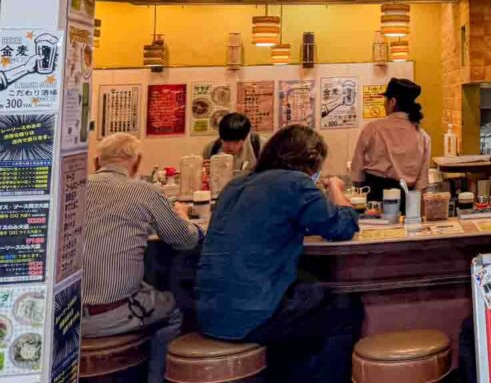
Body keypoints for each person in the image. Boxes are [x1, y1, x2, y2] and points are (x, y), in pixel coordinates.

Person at [196, 125, 361, 383]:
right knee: (344, 308)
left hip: (208, 312)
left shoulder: (235, 185)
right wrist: (336, 189)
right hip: (250, 315)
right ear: (311, 161)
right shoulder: (295, 182)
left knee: (306, 294)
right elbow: (342, 226)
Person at [82, 133, 202, 383]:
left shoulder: (74, 189)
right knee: (175, 307)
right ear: (136, 164)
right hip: (111, 315)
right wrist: (183, 217)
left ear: (96, 163)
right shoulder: (144, 191)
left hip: (64, 315)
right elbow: (186, 240)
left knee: (143, 288)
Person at [350, 78, 432, 202]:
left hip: (375, 195)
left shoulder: (372, 129)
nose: (384, 104)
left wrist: (360, 195)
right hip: (407, 198)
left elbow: (357, 172)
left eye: (385, 100)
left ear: (392, 101)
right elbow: (422, 183)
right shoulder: (422, 136)